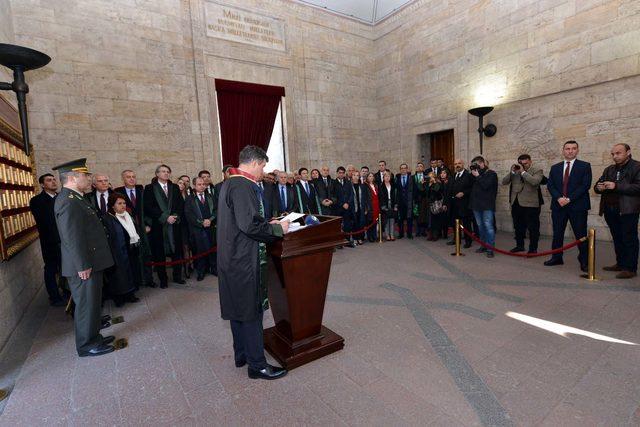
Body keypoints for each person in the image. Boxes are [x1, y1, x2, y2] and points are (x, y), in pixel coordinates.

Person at [217, 145, 290, 380]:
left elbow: (243, 219)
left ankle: (242, 355)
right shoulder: (243, 185)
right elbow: (248, 225)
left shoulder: (229, 182)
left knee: (238, 309)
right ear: (256, 163)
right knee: (250, 312)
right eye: (263, 166)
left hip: (232, 257)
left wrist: (265, 221)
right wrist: (278, 228)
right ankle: (257, 365)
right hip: (244, 259)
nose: (263, 172)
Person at [53, 158, 115, 357]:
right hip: (83, 264)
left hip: (90, 261)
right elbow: (72, 238)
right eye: (85, 175)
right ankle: (87, 345)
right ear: (72, 178)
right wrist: (83, 265)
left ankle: (94, 336)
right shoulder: (67, 201)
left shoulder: (77, 197)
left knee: (93, 302)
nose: (89, 179)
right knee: (86, 305)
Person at [544, 141, 592, 272]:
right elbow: (550, 185)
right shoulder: (555, 168)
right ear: (563, 150)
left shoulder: (585, 166)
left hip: (578, 206)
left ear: (577, 150)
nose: (570, 151)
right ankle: (556, 257)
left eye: (573, 148)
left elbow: (585, 186)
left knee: (580, 234)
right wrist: (559, 198)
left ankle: (584, 261)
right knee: (557, 233)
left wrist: (569, 199)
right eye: (567, 149)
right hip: (558, 206)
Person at [594, 143, 640, 279]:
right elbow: (597, 186)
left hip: (627, 210)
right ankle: (620, 263)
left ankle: (630, 268)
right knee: (617, 238)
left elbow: (638, 187)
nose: (615, 156)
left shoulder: (637, 167)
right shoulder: (609, 169)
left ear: (628, 152)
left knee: (629, 239)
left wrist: (616, 185)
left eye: (618, 153)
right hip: (610, 209)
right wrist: (599, 187)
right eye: (613, 154)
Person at [144, 164, 185, 288]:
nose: (166, 173)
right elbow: (148, 206)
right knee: (159, 254)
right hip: (158, 226)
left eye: (168, 171)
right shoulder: (150, 188)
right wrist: (165, 217)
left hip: (174, 225)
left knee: (177, 252)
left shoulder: (174, 188)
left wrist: (175, 216)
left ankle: (178, 276)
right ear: (157, 174)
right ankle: (163, 280)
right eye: (163, 171)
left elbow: (179, 204)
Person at [114, 169, 155, 288]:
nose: (131, 179)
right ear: (123, 179)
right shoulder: (118, 192)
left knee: (146, 254)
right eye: (128, 177)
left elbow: (148, 209)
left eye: (133, 176)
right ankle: (136, 281)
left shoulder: (142, 190)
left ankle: (149, 279)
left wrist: (148, 224)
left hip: (143, 227)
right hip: (128, 229)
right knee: (133, 256)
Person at [30, 173, 65, 306]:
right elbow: (46, 221)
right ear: (43, 185)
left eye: (54, 179)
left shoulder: (62, 198)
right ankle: (54, 297)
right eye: (49, 180)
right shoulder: (37, 201)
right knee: (51, 269)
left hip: (65, 241)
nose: (53, 182)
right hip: (50, 242)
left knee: (65, 267)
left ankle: (67, 292)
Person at [103, 193, 141, 307]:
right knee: (119, 276)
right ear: (112, 206)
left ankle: (131, 294)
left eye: (124, 203)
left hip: (131, 249)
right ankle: (119, 298)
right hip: (117, 251)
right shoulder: (108, 218)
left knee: (131, 272)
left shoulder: (128, 214)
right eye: (119, 203)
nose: (123, 205)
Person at [501, 154, 544, 254]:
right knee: (517, 226)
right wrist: (512, 172)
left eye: (526, 163)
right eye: (521, 163)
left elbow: (535, 182)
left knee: (533, 227)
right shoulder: (515, 171)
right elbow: (504, 182)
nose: (523, 165)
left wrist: (523, 172)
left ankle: (533, 249)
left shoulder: (537, 170)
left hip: (530, 204)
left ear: (530, 161)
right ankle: (519, 246)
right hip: (516, 202)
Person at [185, 177, 217, 280]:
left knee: (212, 249)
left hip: (211, 227)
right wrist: (201, 222)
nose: (202, 186)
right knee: (200, 251)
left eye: (203, 184)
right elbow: (189, 214)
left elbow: (216, 210)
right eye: (199, 184)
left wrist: (210, 220)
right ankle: (201, 271)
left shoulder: (210, 196)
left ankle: (214, 268)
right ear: (194, 185)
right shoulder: (190, 198)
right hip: (198, 229)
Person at [469, 156, 498, 258]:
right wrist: (474, 175)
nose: (475, 167)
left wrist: (477, 176)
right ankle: (483, 245)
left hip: (487, 205)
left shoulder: (491, 174)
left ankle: (490, 248)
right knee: (480, 227)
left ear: (482, 164)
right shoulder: (475, 174)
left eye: (476, 164)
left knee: (488, 226)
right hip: (476, 205)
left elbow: (486, 186)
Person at [448, 159, 473, 248]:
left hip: (465, 204)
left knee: (466, 224)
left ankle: (468, 241)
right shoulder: (453, 175)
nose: (457, 165)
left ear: (463, 164)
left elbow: (472, 188)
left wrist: (464, 193)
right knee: (455, 223)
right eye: (455, 164)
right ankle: (456, 239)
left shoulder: (468, 175)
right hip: (454, 204)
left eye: (459, 163)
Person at [177, 176, 194, 279]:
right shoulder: (174, 195)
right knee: (185, 247)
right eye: (180, 183)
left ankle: (190, 266)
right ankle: (186, 268)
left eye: (185, 183)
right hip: (181, 224)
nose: (183, 184)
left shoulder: (189, 194)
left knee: (190, 246)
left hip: (190, 223)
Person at [347, 171, 370, 245]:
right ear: (351, 176)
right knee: (354, 223)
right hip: (353, 208)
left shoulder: (362, 186)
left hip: (361, 207)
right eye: (354, 175)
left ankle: (360, 238)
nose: (355, 177)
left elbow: (366, 198)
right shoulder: (349, 185)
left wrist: (366, 208)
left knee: (361, 223)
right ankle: (354, 238)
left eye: (357, 175)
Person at [333, 166, 353, 246]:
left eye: (343, 173)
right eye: (339, 173)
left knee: (347, 225)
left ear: (345, 174)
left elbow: (351, 194)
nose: (341, 174)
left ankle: (347, 241)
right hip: (338, 208)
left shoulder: (348, 182)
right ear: (337, 173)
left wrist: (347, 203)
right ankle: (339, 242)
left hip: (347, 207)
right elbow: (333, 196)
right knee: (338, 226)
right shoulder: (333, 183)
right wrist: (342, 204)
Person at [395, 163, 414, 239]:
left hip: (409, 202)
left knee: (409, 219)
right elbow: (396, 191)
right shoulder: (397, 178)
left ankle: (409, 234)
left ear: (407, 169)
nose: (403, 169)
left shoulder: (411, 178)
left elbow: (413, 190)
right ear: (400, 170)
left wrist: (413, 200)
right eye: (401, 168)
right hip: (400, 202)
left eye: (404, 168)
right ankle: (401, 233)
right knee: (400, 219)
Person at [427, 172, 447, 241]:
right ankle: (431, 235)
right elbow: (427, 194)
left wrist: (434, 182)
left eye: (431, 177)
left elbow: (436, 191)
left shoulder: (438, 183)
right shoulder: (429, 184)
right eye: (429, 177)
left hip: (437, 204)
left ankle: (436, 235)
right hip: (432, 204)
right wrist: (429, 186)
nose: (430, 178)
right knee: (432, 220)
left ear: (434, 177)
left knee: (437, 219)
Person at [378, 171, 397, 241]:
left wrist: (395, 205)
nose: (387, 178)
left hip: (392, 203)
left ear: (390, 177)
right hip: (384, 204)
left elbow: (396, 195)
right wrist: (383, 206)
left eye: (388, 176)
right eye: (385, 176)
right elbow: (380, 197)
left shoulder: (393, 185)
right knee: (386, 220)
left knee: (392, 220)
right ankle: (387, 235)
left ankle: (392, 235)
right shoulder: (381, 186)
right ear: (383, 178)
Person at [413, 162, 429, 237]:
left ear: (423, 168)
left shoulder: (426, 177)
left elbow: (427, 187)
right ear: (416, 168)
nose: (419, 167)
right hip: (416, 198)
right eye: (418, 166)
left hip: (424, 198)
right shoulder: (413, 177)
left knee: (424, 215)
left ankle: (423, 231)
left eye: (421, 166)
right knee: (417, 215)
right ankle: (418, 231)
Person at [365, 172, 380, 242]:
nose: (371, 177)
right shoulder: (365, 186)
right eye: (369, 176)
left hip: (376, 206)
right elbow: (365, 198)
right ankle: (370, 236)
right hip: (370, 206)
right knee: (369, 222)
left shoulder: (376, 185)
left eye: (372, 176)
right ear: (367, 178)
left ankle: (374, 235)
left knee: (375, 221)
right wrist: (366, 208)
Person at [439, 169, 452, 239]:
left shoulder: (449, 181)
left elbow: (448, 194)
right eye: (441, 173)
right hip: (439, 203)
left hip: (446, 203)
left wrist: (445, 204)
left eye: (444, 173)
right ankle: (440, 233)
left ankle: (445, 234)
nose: (442, 174)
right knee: (440, 219)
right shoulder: (439, 181)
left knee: (445, 219)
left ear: (447, 174)